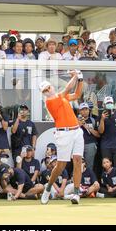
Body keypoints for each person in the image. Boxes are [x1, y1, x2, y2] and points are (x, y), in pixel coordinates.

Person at [39, 69, 84, 205]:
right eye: (45, 90)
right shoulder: (49, 102)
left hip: (76, 131)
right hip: (63, 133)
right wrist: (76, 76)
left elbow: (76, 94)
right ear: (44, 94)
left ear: (51, 87)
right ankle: (48, 188)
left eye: (48, 88)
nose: (48, 90)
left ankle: (76, 194)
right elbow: (67, 88)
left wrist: (80, 79)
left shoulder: (61, 97)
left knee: (77, 160)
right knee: (61, 165)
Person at [98, 96, 116, 170]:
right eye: (107, 103)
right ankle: (107, 181)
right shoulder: (101, 116)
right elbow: (100, 131)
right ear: (104, 105)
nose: (109, 104)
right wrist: (102, 119)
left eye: (111, 103)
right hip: (106, 146)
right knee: (106, 167)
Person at [77, 102, 100, 171]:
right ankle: (78, 181)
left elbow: (98, 134)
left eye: (86, 109)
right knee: (77, 164)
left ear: (89, 110)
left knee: (89, 165)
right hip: (78, 145)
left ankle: (88, 181)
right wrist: (79, 125)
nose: (84, 111)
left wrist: (87, 126)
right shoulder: (75, 120)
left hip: (90, 144)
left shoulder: (93, 120)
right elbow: (70, 133)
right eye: (82, 109)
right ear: (79, 111)